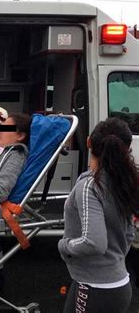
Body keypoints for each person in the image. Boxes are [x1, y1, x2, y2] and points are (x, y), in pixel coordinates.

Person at [58, 117, 139, 313]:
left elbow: (94, 242)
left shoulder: (90, 186)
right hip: (117, 283)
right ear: (127, 148)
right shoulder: (124, 181)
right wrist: (114, 260)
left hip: (95, 288)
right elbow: (129, 233)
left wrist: (64, 246)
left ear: (88, 142)